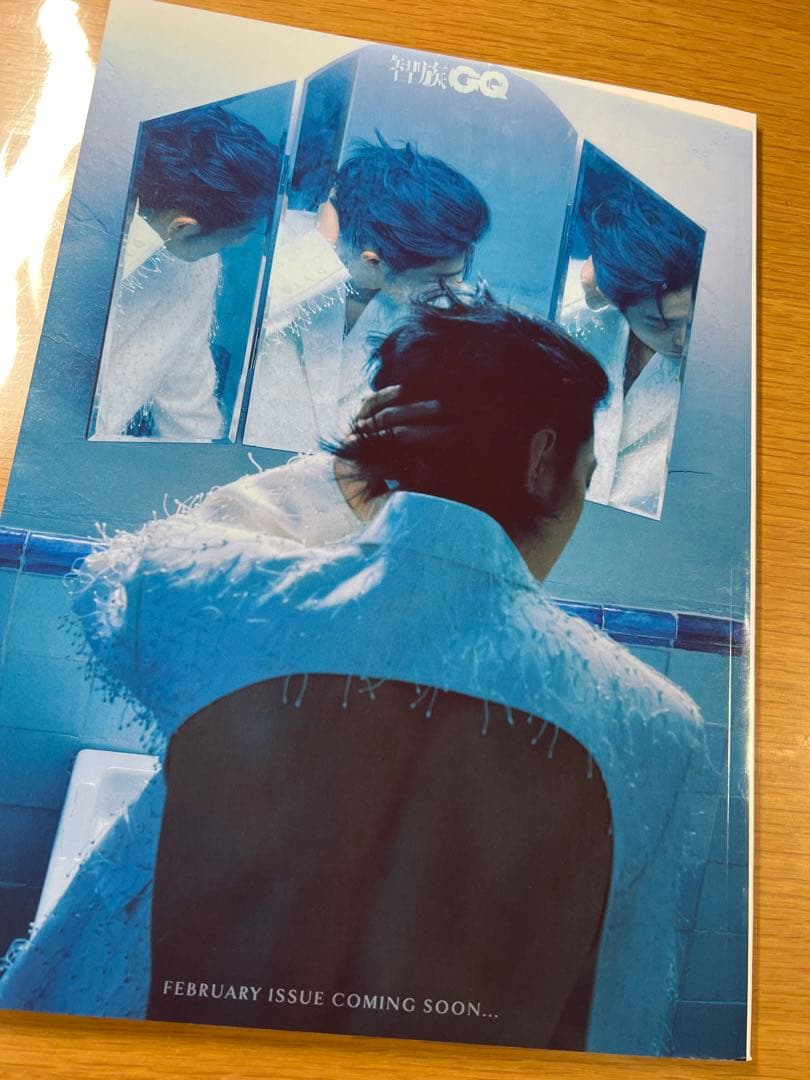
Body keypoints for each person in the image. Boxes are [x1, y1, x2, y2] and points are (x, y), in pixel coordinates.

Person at [0, 301, 712, 1056]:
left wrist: (343, 473)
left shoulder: (230, 601)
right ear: (543, 460)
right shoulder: (654, 723)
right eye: (585, 476)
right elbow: (620, 1011)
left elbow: (120, 578)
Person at [244, 134, 490, 451]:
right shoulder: (276, 244)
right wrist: (319, 253)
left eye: (459, 273)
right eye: (440, 279)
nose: (456, 290)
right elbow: (240, 327)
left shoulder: (446, 307)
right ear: (373, 262)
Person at [94, 105, 282, 440]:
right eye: (239, 234)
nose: (240, 242)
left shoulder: (199, 270)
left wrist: (208, 463)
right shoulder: (80, 243)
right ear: (182, 227)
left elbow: (188, 398)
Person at [558, 184, 702, 516]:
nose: (682, 339)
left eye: (690, 321)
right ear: (615, 301)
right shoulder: (573, 312)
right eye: (661, 324)